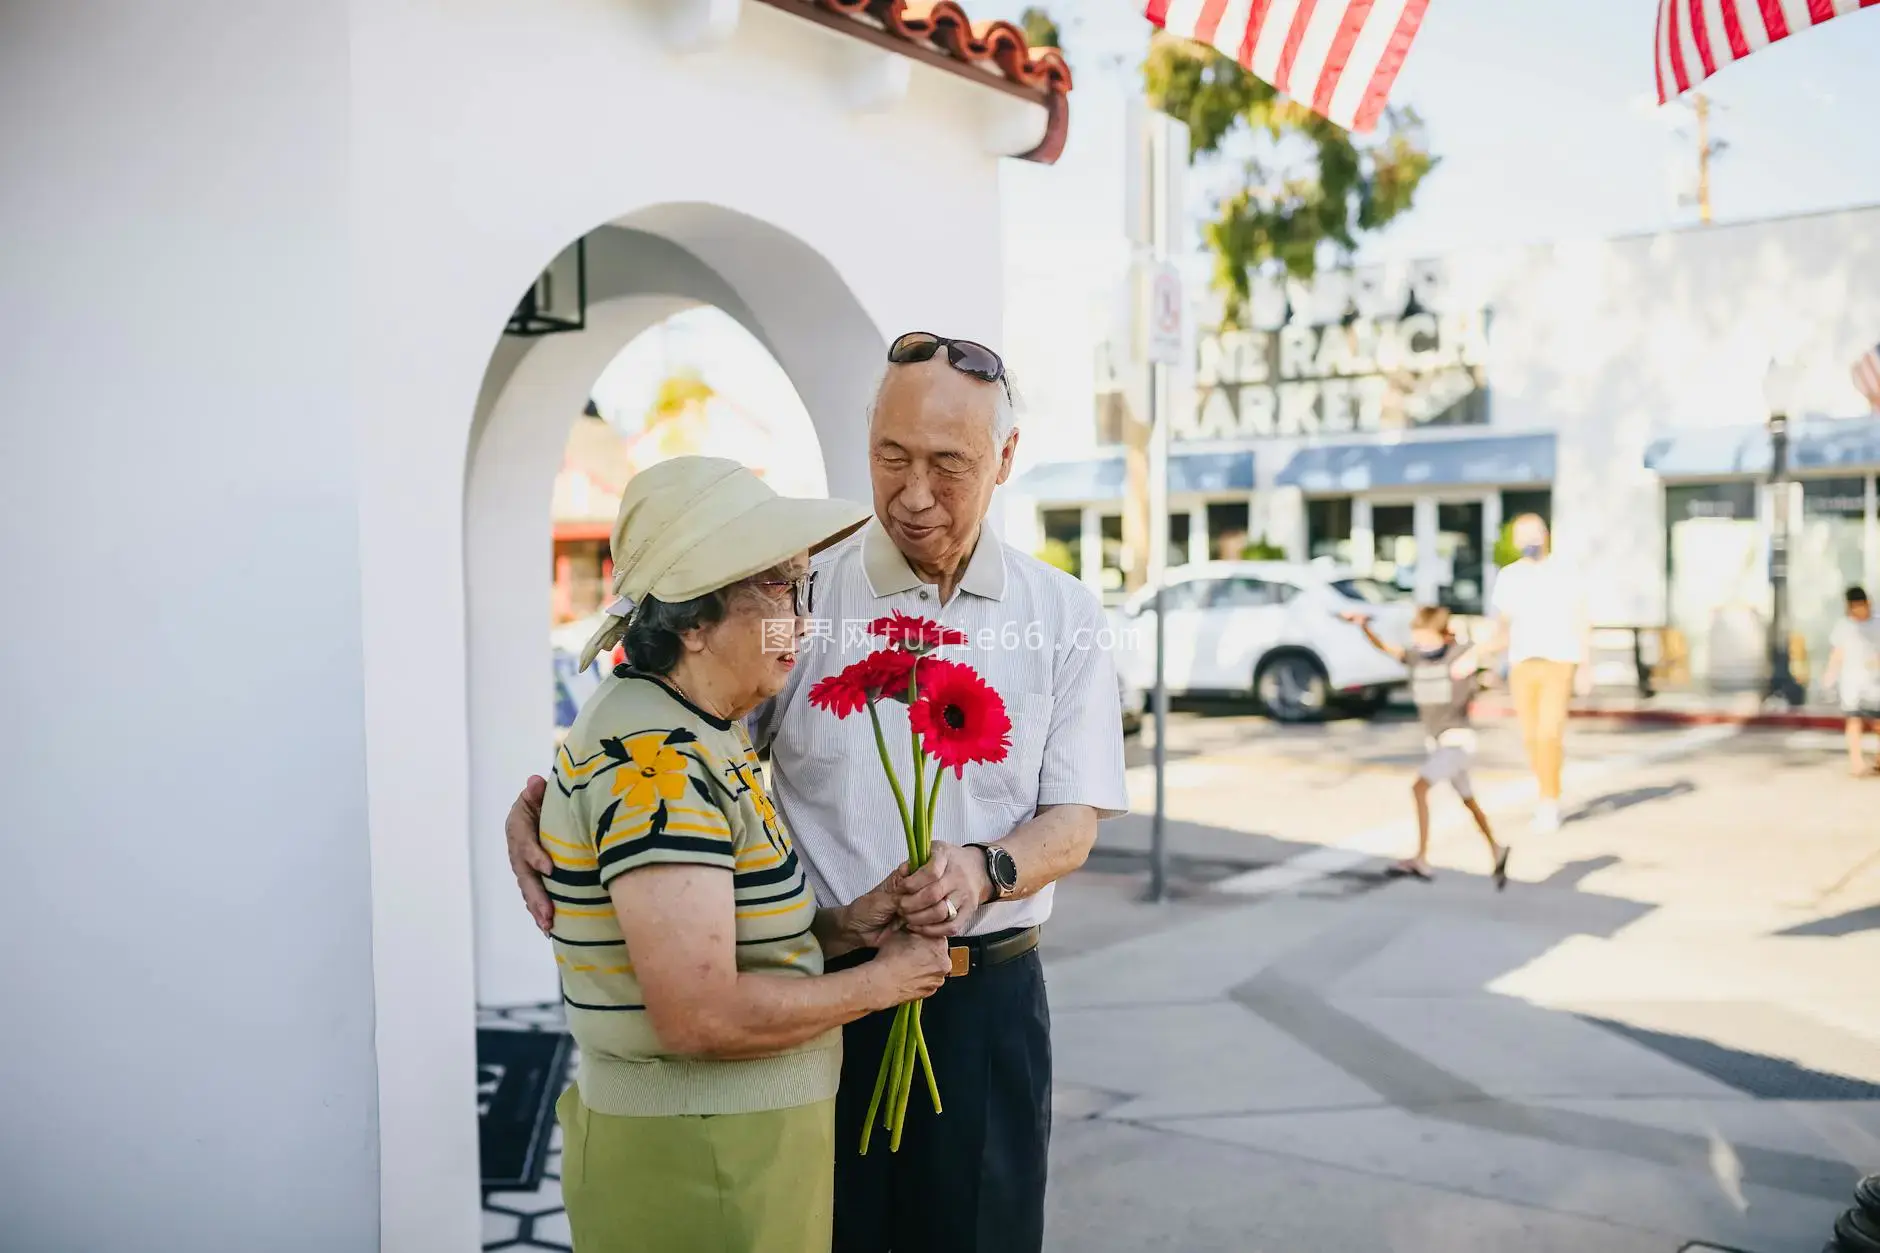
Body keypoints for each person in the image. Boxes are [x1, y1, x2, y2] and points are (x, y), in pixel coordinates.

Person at [508, 331, 1130, 1253]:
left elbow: (1073, 819)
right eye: (891, 457)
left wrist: (984, 867)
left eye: (948, 465)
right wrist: (550, 802)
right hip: (814, 992)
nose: (914, 495)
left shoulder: (1064, 617)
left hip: (984, 1006)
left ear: (1004, 459)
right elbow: (688, 716)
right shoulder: (794, 598)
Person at [539, 455, 953, 1253]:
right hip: (702, 1170)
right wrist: (883, 981)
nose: (800, 618)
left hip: (731, 1155)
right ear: (692, 620)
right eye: (776, 588)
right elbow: (698, 1013)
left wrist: (845, 926)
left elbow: (727, 939)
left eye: (803, 587)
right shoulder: (654, 759)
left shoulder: (694, 729)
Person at [1343, 605, 1508, 888]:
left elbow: (1499, 642)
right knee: (1468, 800)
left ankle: (1421, 857)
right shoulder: (1417, 657)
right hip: (1437, 741)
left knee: (1419, 788)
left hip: (1457, 740)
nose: (1422, 643)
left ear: (1444, 636)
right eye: (1418, 637)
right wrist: (1364, 627)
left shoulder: (1459, 654)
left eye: (1427, 638)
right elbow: (1386, 648)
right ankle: (1497, 847)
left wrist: (1475, 654)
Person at [1487, 513, 1591, 833]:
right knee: (1531, 736)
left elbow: (1581, 617)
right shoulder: (1509, 576)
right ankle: (1545, 787)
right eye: (1521, 535)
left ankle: (1549, 800)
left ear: (1545, 534)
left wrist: (1586, 665)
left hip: (1559, 661)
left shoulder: (1565, 571)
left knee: (1549, 732)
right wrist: (1491, 663)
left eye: (1532, 533)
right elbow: (1503, 625)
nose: (1528, 540)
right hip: (1522, 663)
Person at [1820, 585, 1880, 776]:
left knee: (1877, 722)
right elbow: (1838, 652)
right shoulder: (1844, 626)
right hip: (1852, 682)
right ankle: (1857, 762)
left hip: (1875, 681)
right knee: (1854, 720)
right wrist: (1830, 675)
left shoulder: (1877, 623)